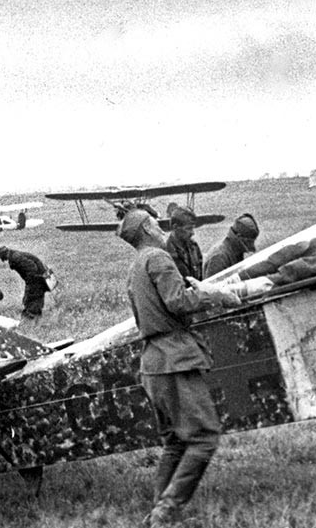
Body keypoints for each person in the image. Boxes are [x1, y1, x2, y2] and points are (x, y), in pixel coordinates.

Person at [119, 208, 241, 528]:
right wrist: (212, 294)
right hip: (175, 359)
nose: (161, 227)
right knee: (204, 438)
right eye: (155, 222)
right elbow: (178, 303)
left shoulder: (135, 266)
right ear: (147, 227)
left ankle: (158, 514)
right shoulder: (158, 257)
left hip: (154, 363)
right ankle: (166, 512)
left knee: (175, 442)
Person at [0, 245, 51, 319]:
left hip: (36, 280)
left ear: (3, 254)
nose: (0, 258)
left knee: (31, 300)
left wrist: (30, 283)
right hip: (38, 278)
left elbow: (32, 267)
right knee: (34, 300)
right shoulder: (14, 255)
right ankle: (35, 319)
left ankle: (31, 320)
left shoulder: (16, 257)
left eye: (0, 256)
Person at [201, 213, 260, 278]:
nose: (250, 246)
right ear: (239, 237)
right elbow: (212, 285)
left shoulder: (235, 251)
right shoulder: (219, 257)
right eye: (248, 242)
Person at [164, 206, 204, 281]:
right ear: (175, 227)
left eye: (193, 228)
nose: (193, 233)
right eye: (188, 228)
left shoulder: (194, 247)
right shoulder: (165, 254)